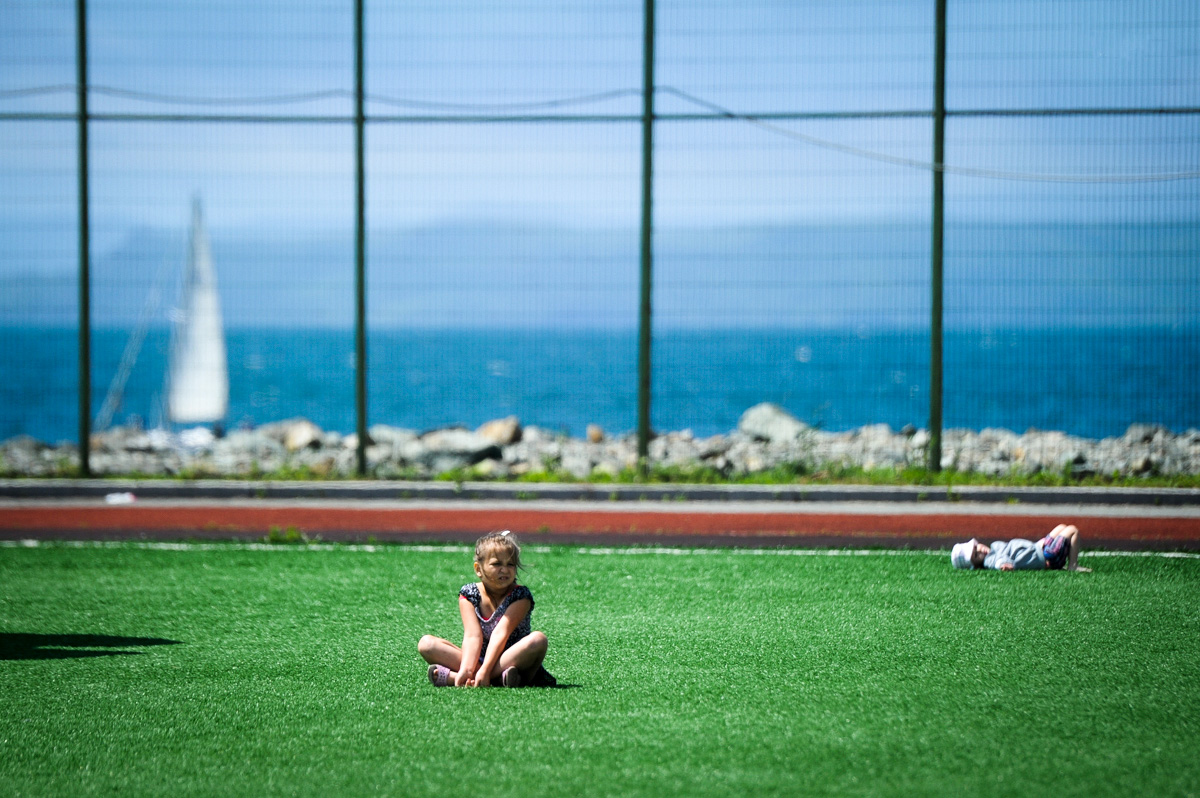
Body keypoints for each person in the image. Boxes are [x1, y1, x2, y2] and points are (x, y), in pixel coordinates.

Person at [418, 530, 554, 687]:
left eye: (510, 564)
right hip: (478, 660)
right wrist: (468, 669)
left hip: (512, 659)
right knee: (426, 644)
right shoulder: (469, 594)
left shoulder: (520, 596)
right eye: (497, 564)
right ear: (478, 569)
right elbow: (472, 636)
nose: (505, 569)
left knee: (538, 640)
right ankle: (492, 679)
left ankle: (458, 678)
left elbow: (500, 634)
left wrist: (486, 670)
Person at [950, 523, 1092, 572]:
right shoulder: (990, 559)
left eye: (976, 547)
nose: (980, 550)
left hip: (1038, 547)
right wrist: (1003, 565)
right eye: (976, 555)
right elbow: (997, 561)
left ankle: (1069, 562)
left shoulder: (993, 547)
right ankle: (1073, 565)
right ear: (976, 564)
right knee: (1073, 530)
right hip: (1047, 555)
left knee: (1061, 527)